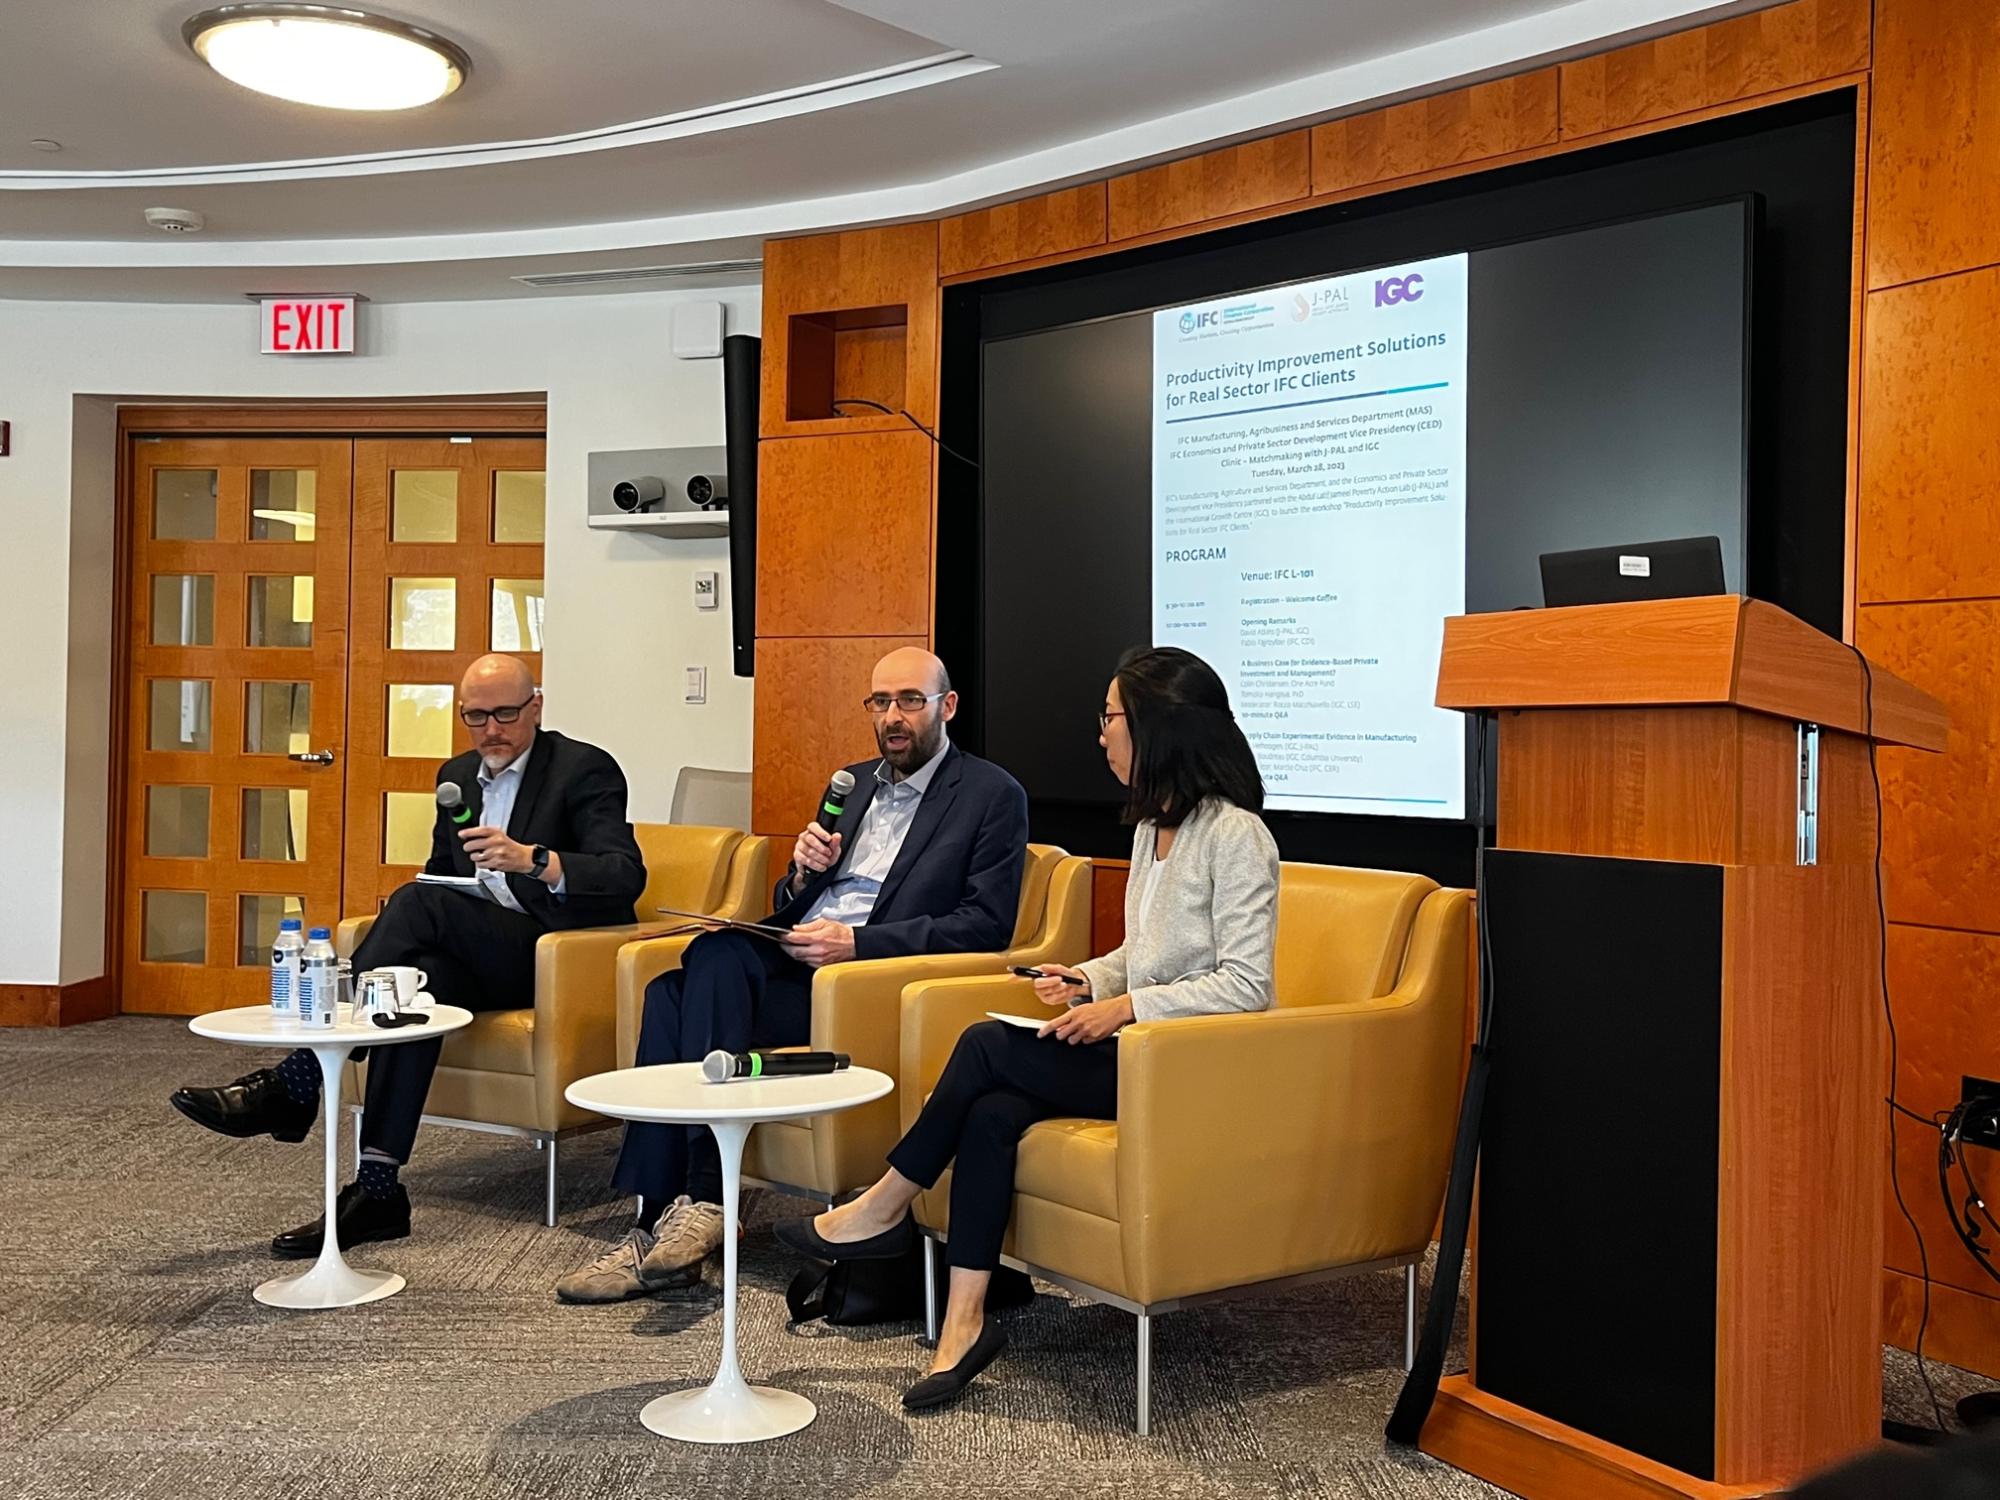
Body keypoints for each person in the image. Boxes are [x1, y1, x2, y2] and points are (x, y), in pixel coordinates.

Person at [775, 645, 1279, 1409]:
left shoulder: (1235, 835)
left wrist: (1129, 1006)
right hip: (1133, 1049)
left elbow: (1247, 985)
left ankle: (884, 1202)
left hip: (1183, 1067)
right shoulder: (1151, 829)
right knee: (991, 1112)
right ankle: (964, 1324)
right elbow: (1140, 955)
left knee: (983, 1044)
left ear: (1156, 725)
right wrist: (1087, 979)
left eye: (1110, 718)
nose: (1101, 734)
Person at [555, 646, 1030, 1304]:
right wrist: (804, 874)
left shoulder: (989, 795)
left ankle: (682, 1206)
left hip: (863, 986)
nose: (893, 717)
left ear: (946, 707)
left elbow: (985, 925)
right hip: (796, 957)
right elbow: (796, 900)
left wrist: (858, 943)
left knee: (690, 981)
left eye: (910, 701)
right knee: (681, 980)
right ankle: (670, 1217)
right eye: (880, 703)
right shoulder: (855, 785)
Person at [170, 654, 646, 1257]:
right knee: (413, 988)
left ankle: (294, 1081)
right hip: (476, 954)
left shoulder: (584, 769)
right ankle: (378, 1190)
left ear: (536, 707)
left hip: (555, 958)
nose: (490, 731)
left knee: (417, 905)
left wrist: (533, 859)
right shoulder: (457, 773)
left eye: (504, 714)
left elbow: (623, 876)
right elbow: (447, 876)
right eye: (476, 717)